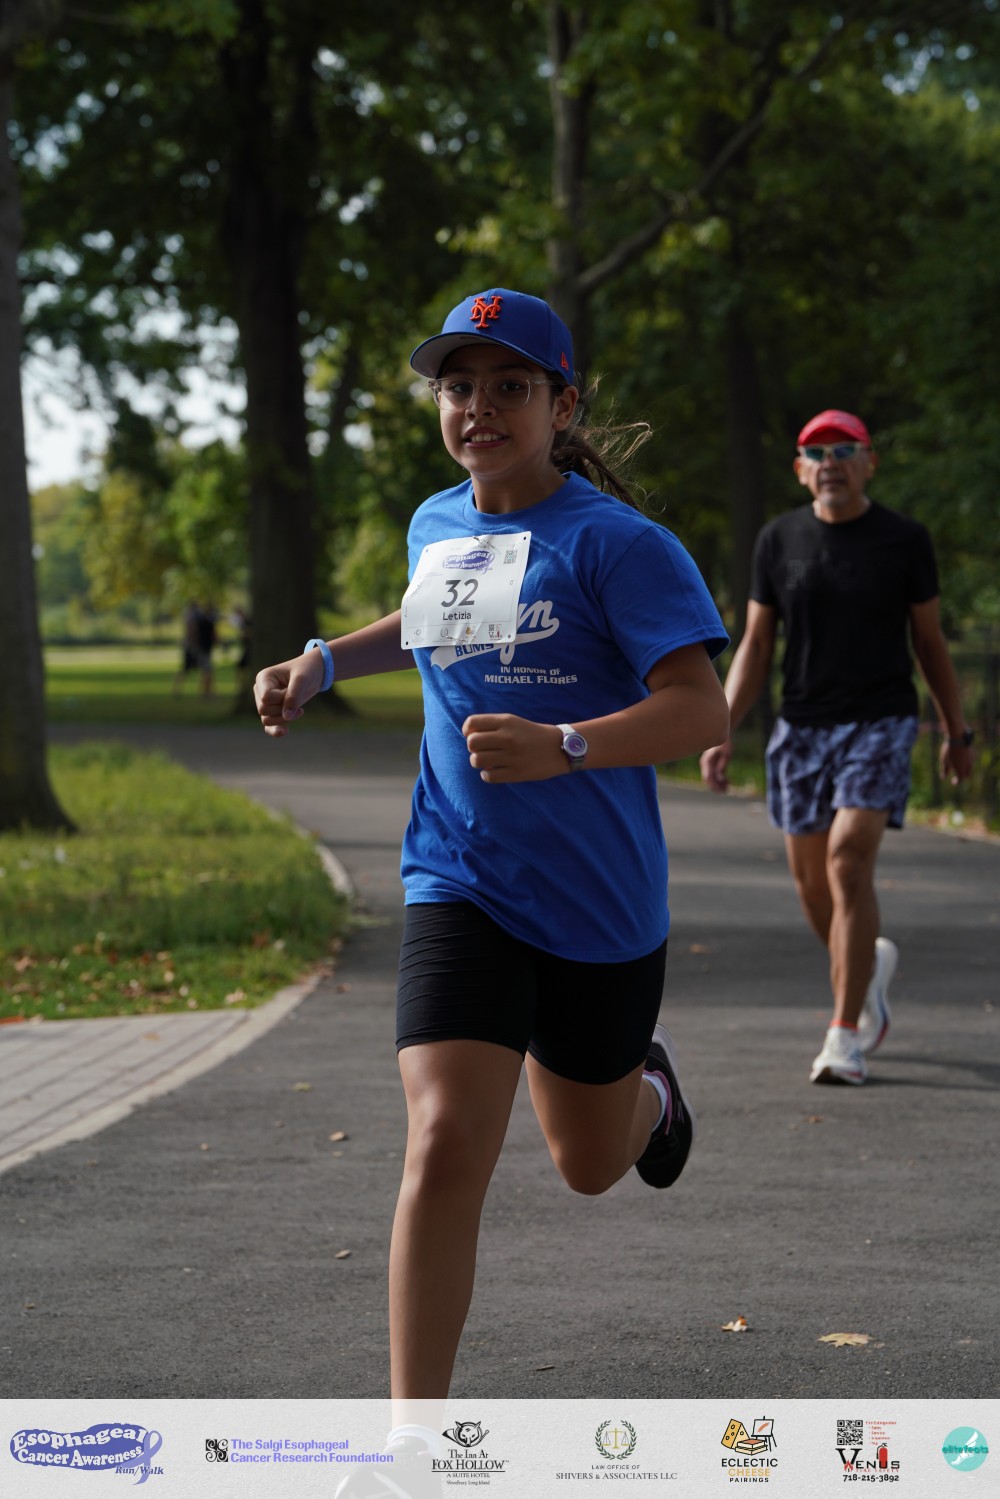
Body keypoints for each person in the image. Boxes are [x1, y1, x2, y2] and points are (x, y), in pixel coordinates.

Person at [253, 288, 728, 1488]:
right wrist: (320, 661)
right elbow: (423, 618)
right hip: (458, 876)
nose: (478, 407)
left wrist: (566, 743)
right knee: (443, 1135)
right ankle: (413, 1446)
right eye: (457, 386)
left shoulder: (618, 546)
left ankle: (651, 1096)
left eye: (508, 386)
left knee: (586, 1160)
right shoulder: (435, 522)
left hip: (599, 903)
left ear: (561, 406)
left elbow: (699, 707)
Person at [700, 409, 974, 1087]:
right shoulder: (778, 539)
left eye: (844, 450)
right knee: (813, 885)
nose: (831, 463)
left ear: (868, 462)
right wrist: (721, 726)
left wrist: (955, 730)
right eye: (817, 453)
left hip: (879, 721)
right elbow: (757, 643)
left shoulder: (904, 539)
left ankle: (844, 1033)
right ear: (801, 470)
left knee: (848, 860)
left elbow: (929, 642)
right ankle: (866, 968)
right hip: (802, 727)